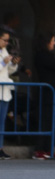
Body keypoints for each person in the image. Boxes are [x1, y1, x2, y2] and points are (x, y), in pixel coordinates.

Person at [0, 30, 19, 160]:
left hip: (4, 92)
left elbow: (9, 70)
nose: (6, 43)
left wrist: (13, 63)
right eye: (4, 40)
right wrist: (3, 63)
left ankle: (0, 148)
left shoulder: (4, 51)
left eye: (7, 40)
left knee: (2, 122)